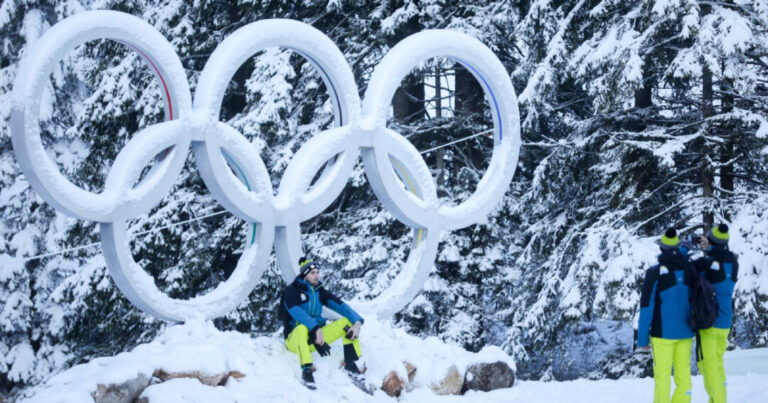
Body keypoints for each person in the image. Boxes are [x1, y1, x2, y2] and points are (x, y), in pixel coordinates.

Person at [279, 256, 365, 390]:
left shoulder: (319, 292)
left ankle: (350, 363)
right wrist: (315, 328)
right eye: (312, 273)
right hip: (294, 340)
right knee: (302, 328)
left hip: (315, 339)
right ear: (305, 275)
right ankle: (307, 371)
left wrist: (357, 322)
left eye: (317, 272)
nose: (316, 275)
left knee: (347, 323)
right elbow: (295, 311)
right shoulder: (292, 290)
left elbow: (340, 306)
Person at [637, 228, 695, 403]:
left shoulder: (654, 273)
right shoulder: (689, 270)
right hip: (685, 332)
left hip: (662, 335)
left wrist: (642, 340)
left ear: (661, 248)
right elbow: (680, 255)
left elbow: (646, 307)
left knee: (662, 378)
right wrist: (686, 245)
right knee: (683, 378)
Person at [691, 224, 738, 403]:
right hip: (725, 323)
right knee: (717, 365)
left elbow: (690, 268)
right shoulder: (733, 263)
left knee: (707, 366)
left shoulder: (706, 264)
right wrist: (710, 246)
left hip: (709, 323)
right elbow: (720, 258)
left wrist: (695, 247)